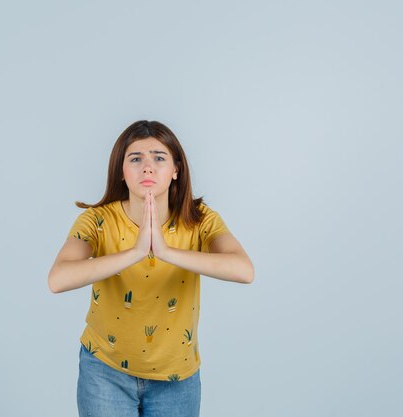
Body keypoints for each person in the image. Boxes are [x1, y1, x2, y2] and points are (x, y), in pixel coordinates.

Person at [48, 120, 254, 417]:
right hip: (105, 372)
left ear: (175, 170)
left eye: (159, 158)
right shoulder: (96, 220)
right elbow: (57, 279)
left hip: (177, 377)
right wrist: (135, 252)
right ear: (121, 171)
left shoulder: (202, 219)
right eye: (135, 159)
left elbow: (244, 270)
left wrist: (166, 252)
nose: (147, 167)